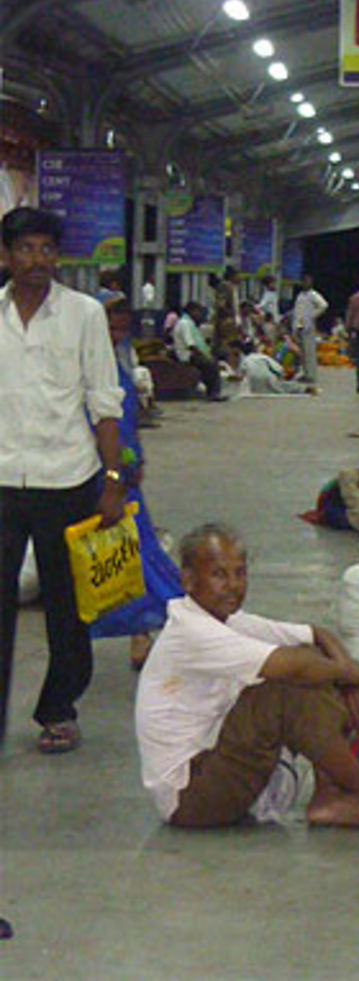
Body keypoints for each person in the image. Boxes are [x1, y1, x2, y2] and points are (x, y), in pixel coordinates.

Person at [135, 522, 359, 829]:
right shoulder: (190, 631)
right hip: (191, 796)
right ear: (188, 580)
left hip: (215, 767)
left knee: (312, 666)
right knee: (287, 686)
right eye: (219, 575)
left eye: (240, 573)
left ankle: (329, 796)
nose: (233, 585)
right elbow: (293, 667)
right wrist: (350, 673)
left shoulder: (227, 619)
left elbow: (316, 635)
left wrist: (345, 678)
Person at [0, 207, 125, 752]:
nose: (36, 260)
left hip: (69, 479)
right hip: (2, 482)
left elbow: (104, 401)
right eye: (25, 249)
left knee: (68, 608)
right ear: (6, 256)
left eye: (46, 249)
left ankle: (58, 709)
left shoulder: (84, 314)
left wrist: (114, 478)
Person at [91, 300, 184, 671]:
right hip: (96, 470)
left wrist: (135, 458)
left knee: (135, 549)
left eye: (121, 330)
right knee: (113, 555)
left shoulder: (119, 363)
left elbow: (129, 419)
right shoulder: (90, 366)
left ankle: (145, 629)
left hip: (122, 473)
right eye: (109, 329)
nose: (115, 336)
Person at [172, 301, 223, 400]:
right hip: (186, 355)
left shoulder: (190, 323)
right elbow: (191, 345)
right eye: (198, 311)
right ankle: (213, 393)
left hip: (191, 354)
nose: (199, 314)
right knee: (211, 365)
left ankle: (212, 391)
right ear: (191, 311)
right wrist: (204, 356)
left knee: (214, 360)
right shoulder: (185, 324)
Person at [293, 274, 330, 386]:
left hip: (308, 326)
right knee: (302, 353)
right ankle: (304, 373)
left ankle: (311, 375)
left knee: (309, 352)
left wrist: (312, 316)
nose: (305, 283)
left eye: (308, 281)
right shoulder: (300, 295)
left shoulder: (313, 295)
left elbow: (324, 305)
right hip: (298, 326)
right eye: (304, 281)